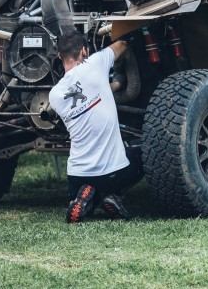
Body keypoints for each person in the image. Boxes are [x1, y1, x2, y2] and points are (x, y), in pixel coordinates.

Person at [48, 30, 142, 223]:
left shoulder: (54, 95)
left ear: (60, 56)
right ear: (84, 51)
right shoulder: (95, 64)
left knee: (85, 204)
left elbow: (90, 93)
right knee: (141, 157)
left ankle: (85, 196)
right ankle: (109, 196)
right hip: (112, 174)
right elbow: (122, 45)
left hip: (76, 175)